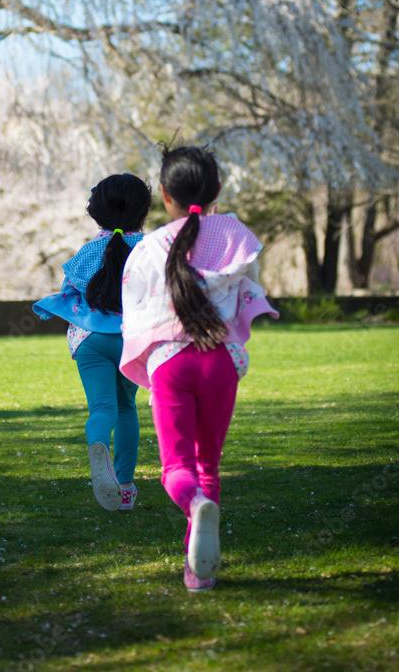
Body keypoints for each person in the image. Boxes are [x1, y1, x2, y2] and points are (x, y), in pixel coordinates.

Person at [119, 144, 278, 591]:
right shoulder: (234, 238)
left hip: (172, 363)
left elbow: (136, 309)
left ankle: (193, 505)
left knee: (178, 469)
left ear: (164, 196)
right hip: (221, 362)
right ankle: (198, 573)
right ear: (218, 191)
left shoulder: (150, 248)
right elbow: (245, 284)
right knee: (209, 464)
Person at [33, 173, 152, 512]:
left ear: (96, 212)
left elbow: (70, 292)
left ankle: (98, 444)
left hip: (90, 341)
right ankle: (125, 488)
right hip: (131, 340)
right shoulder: (148, 250)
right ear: (142, 211)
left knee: (103, 408)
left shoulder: (88, 251)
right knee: (127, 407)